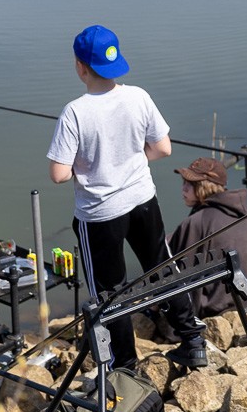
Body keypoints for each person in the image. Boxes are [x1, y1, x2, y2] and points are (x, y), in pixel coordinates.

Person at [46, 24, 208, 371]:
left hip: (100, 214)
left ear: (80, 67)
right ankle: (192, 339)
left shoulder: (75, 111)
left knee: (110, 291)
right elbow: (163, 148)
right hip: (143, 200)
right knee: (161, 268)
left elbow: (59, 174)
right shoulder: (138, 96)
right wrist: (130, 160)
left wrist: (95, 170)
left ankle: (125, 367)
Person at [166, 157, 247, 317]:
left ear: (204, 186)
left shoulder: (196, 223)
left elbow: (182, 276)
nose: (183, 189)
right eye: (184, 182)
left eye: (189, 184)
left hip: (226, 310)